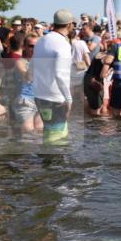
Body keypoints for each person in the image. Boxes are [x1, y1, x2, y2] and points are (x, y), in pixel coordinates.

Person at [32, 9, 74, 145]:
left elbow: (32, 66)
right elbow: (60, 74)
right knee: (57, 136)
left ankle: (47, 163)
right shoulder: (62, 44)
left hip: (39, 94)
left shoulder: (41, 40)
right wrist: (68, 98)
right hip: (56, 97)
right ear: (69, 25)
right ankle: (53, 164)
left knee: (50, 131)